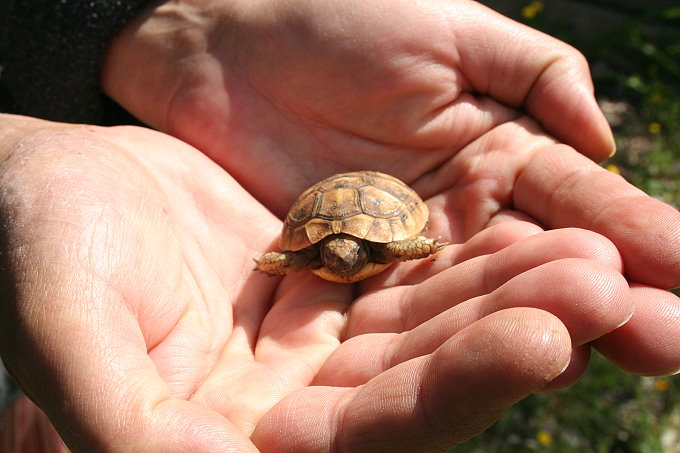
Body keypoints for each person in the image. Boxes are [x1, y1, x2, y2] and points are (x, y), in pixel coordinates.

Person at [0, 0, 678, 451]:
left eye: (355, 254)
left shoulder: (381, 243)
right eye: (341, 253)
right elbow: (296, 254)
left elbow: (399, 238)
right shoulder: (315, 250)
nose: (347, 259)